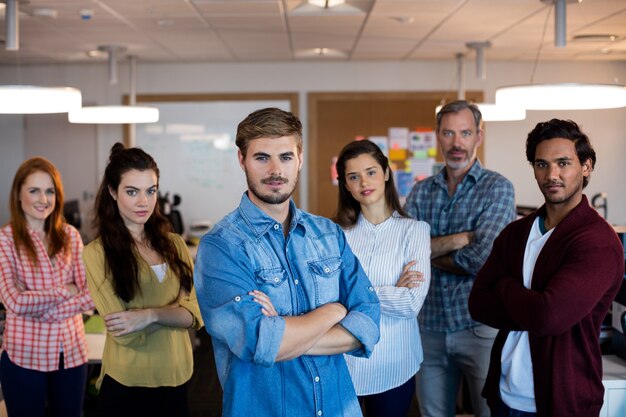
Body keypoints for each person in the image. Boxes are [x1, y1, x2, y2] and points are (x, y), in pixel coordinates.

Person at [194, 107, 381, 417]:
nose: (275, 171)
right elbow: (259, 343)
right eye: (261, 157)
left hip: (338, 408)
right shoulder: (221, 247)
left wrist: (285, 333)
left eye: (285, 157)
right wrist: (333, 311)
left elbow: (369, 322)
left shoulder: (328, 234)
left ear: (300, 158)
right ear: (242, 160)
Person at [469, 119, 624, 417]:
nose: (551, 174)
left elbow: (549, 318)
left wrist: (504, 286)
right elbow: (478, 304)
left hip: (562, 400)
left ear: (586, 166)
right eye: (542, 164)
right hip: (503, 395)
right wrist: (535, 305)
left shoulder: (597, 241)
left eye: (563, 163)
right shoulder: (516, 233)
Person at [403, 100, 516, 417]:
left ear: (479, 136)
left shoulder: (498, 188)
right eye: (449, 133)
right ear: (438, 136)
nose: (456, 143)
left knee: (491, 412)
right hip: (429, 329)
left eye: (465, 133)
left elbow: (483, 259)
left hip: (479, 328)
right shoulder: (421, 192)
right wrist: (462, 238)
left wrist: (426, 252)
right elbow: (404, 255)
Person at [83, 143, 203, 417]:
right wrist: (175, 311)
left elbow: (197, 313)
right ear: (113, 192)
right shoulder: (97, 253)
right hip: (127, 383)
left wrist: (148, 315)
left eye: (150, 191)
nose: (143, 202)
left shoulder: (175, 244)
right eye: (132, 192)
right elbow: (124, 333)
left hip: (178, 377)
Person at [334, 140, 431, 417]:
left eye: (371, 172)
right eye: (354, 176)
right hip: (345, 361)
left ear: (386, 173)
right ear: (347, 185)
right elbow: (327, 296)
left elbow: (411, 303)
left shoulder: (415, 231)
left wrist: (353, 295)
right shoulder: (336, 235)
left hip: (395, 363)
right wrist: (390, 291)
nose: (364, 182)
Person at [0, 157, 94, 417]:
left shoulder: (71, 236)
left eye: (50, 191)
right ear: (18, 195)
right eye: (34, 190)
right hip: (24, 355)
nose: (43, 199)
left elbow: (91, 297)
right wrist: (67, 291)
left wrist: (38, 304)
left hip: (71, 354)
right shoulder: (5, 240)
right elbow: (14, 302)